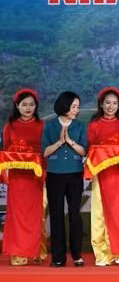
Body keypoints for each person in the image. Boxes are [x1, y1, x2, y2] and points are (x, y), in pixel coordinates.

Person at [87, 87, 119, 266]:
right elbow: (91, 150)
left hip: (118, 174)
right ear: (101, 104)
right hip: (100, 173)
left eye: (114, 103)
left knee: (118, 212)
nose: (111, 106)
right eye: (107, 103)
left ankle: (118, 251)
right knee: (100, 212)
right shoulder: (94, 125)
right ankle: (101, 253)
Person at [42, 91, 88, 267]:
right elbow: (44, 152)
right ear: (65, 105)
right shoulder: (50, 126)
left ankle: (77, 255)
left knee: (75, 214)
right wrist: (59, 143)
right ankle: (58, 257)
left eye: (77, 106)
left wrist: (70, 141)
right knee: (56, 215)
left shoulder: (80, 126)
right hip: (54, 174)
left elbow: (84, 151)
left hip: (75, 174)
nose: (76, 110)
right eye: (74, 106)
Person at [1, 89, 47, 266]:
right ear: (17, 106)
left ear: (36, 106)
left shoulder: (42, 125)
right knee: (17, 216)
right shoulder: (10, 126)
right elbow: (6, 150)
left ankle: (36, 251)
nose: (28, 108)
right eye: (24, 105)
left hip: (36, 178)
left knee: (36, 215)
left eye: (31, 105)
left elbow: (46, 152)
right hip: (17, 178)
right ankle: (19, 253)